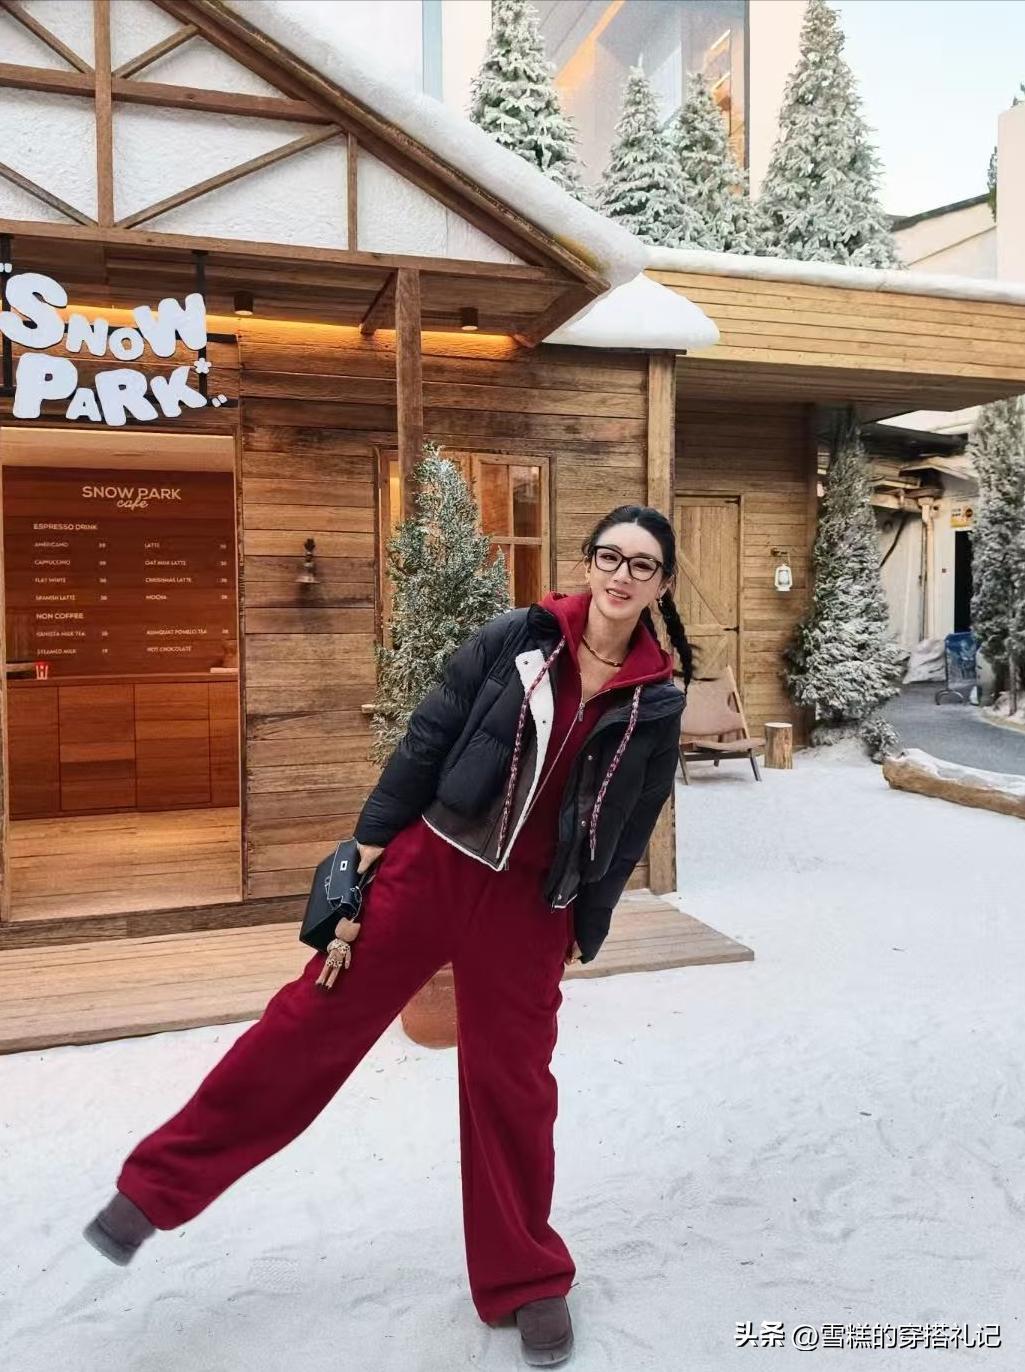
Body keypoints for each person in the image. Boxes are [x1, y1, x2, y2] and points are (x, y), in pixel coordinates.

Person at [83, 504, 693, 1368]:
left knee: (513, 1087)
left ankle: (525, 1278)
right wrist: (372, 839)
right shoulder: (520, 638)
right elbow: (432, 730)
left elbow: (628, 825)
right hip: (433, 864)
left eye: (641, 564)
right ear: (587, 564)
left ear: (661, 584)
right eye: (609, 556)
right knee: (308, 1023)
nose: (621, 575)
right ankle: (153, 1190)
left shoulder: (655, 700)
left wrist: (584, 925)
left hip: (529, 908)